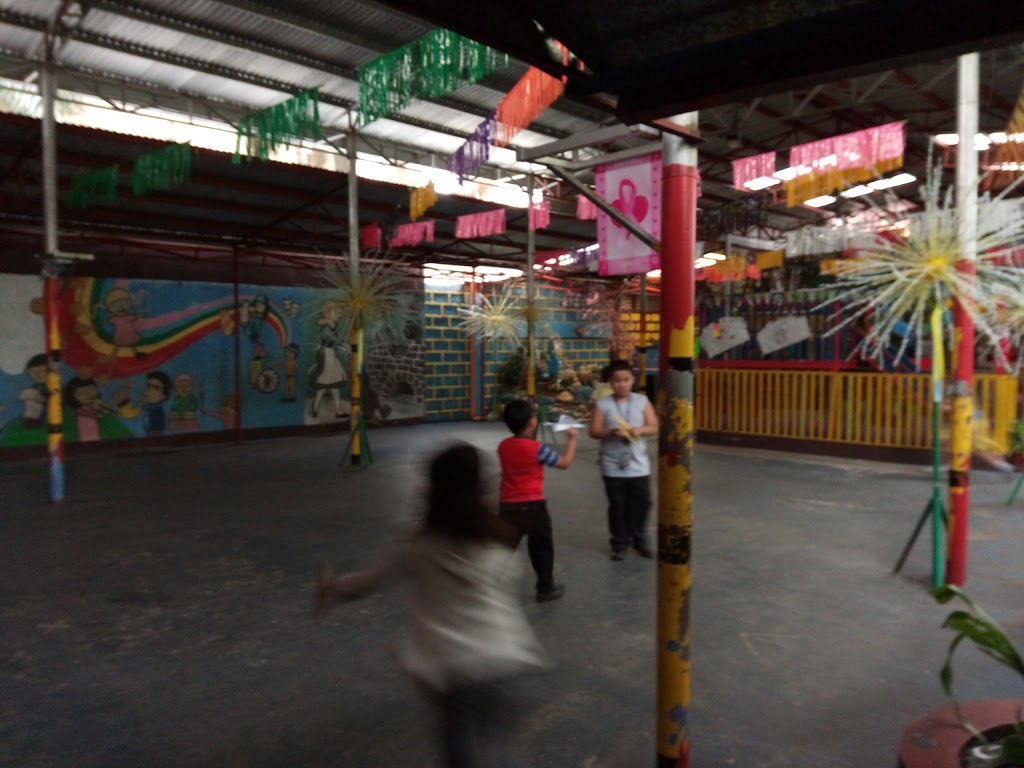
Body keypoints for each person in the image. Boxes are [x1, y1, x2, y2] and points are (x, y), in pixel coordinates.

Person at [315, 443, 547, 768]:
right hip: (502, 661)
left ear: (433, 491)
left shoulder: (417, 548)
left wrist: (332, 588)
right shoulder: (499, 543)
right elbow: (508, 589)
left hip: (454, 671)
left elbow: (368, 581)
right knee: (498, 748)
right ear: (480, 488)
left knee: (461, 752)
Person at [498, 398, 577, 602]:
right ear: (532, 422)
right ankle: (545, 589)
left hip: (508, 506)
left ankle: (490, 584)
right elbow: (564, 463)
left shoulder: (503, 446)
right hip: (534, 506)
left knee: (503, 547)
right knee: (541, 548)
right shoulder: (538, 449)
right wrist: (572, 440)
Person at [589, 359, 659, 561]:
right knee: (617, 505)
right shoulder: (603, 404)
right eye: (617, 381)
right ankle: (619, 542)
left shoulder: (642, 401)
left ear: (632, 380)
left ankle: (639, 539)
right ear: (610, 382)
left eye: (626, 380)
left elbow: (654, 426)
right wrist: (610, 433)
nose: (622, 384)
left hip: (639, 464)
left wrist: (640, 430)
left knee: (642, 503)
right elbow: (594, 431)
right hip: (612, 464)